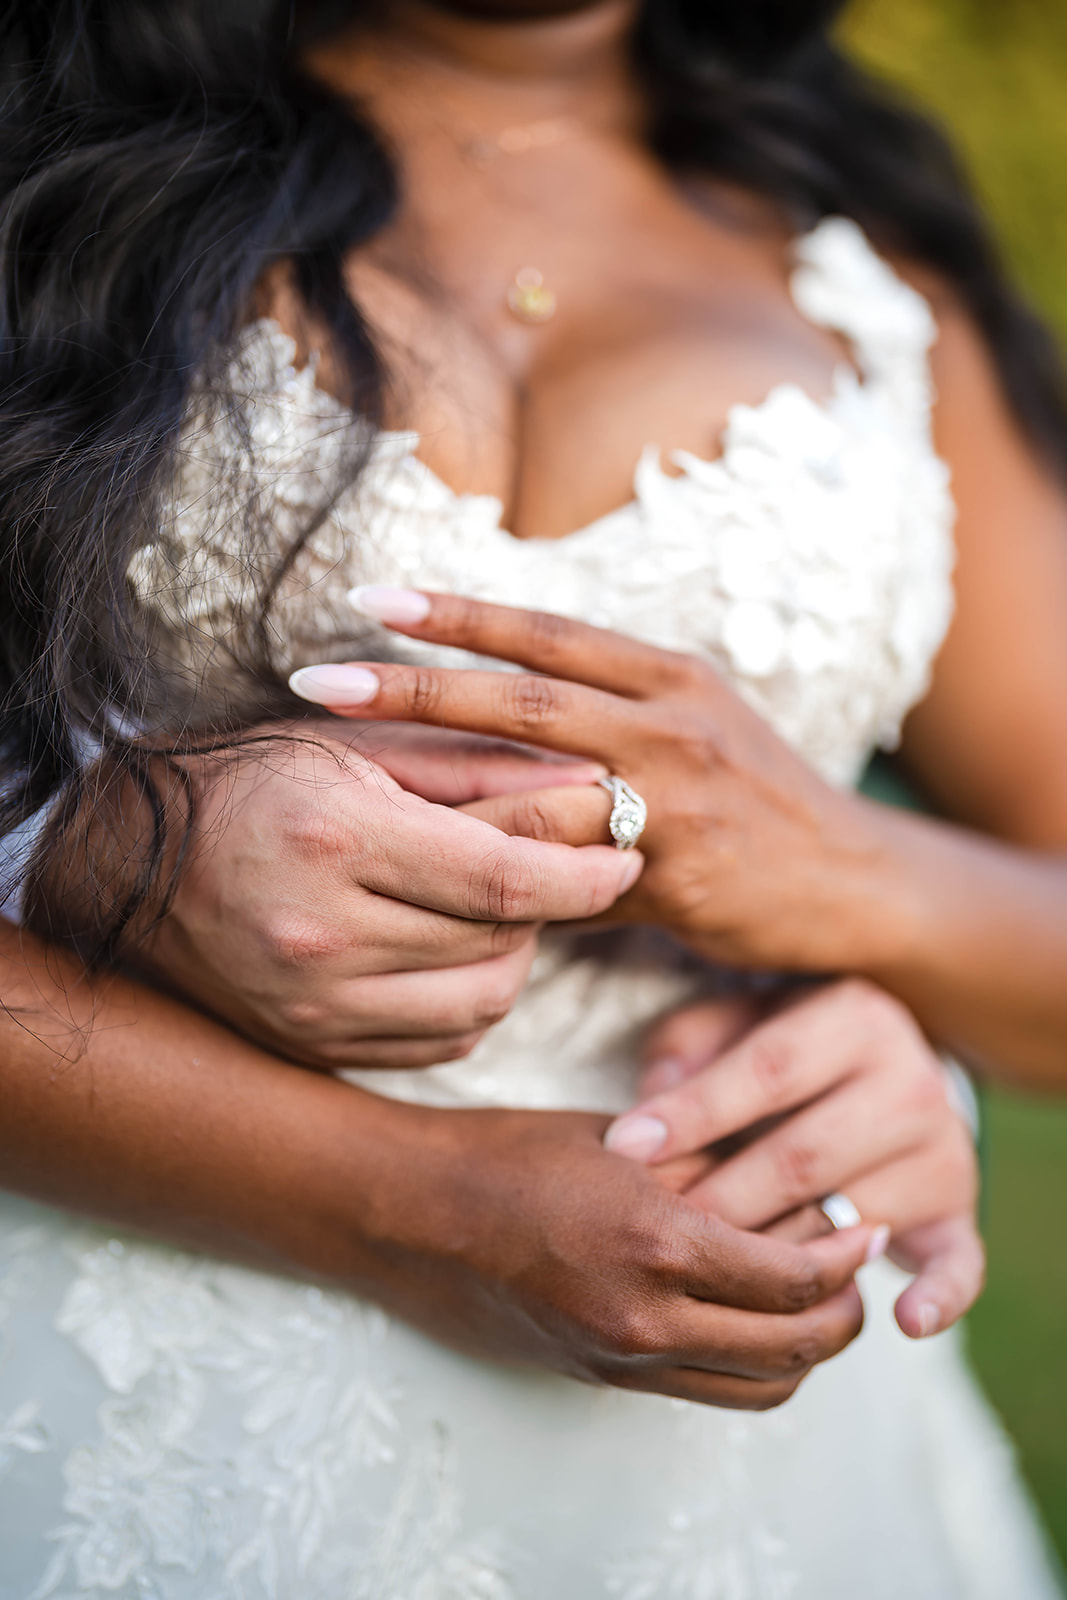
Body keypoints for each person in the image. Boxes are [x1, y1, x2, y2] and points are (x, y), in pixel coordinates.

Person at [0, 0, 1063, 1594]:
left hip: (756, 1469)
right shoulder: (46, 182)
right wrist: (86, 855)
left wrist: (855, 926)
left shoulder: (873, 266)